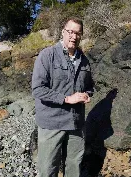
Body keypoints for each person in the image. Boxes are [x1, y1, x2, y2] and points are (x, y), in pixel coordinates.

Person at [31, 17, 94, 177]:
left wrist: (87, 94)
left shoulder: (84, 61)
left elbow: (90, 87)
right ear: (63, 32)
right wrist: (66, 99)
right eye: (70, 32)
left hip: (76, 124)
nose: (74, 36)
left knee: (74, 168)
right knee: (47, 169)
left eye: (78, 33)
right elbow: (38, 89)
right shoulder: (47, 55)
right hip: (52, 123)